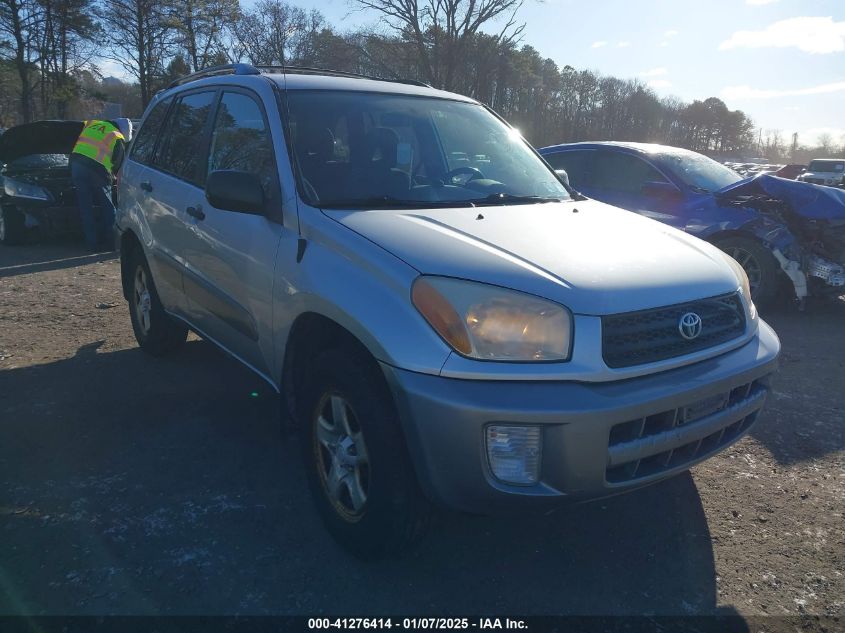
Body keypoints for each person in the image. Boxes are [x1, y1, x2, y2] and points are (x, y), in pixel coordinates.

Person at [70, 118, 132, 251]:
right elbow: (118, 164)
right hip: (97, 170)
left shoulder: (92, 123)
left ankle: (92, 244)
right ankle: (112, 243)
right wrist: (114, 178)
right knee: (108, 207)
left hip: (76, 165)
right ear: (124, 132)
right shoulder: (117, 136)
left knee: (85, 207)